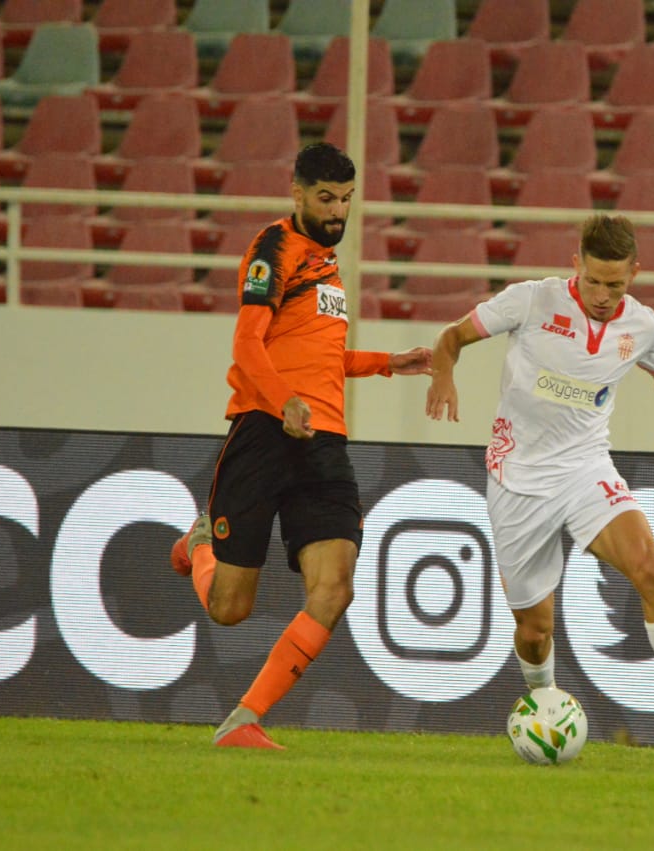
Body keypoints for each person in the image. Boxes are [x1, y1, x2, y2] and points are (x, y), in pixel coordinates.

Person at [425, 213, 654, 745]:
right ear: (575, 263)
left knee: (649, 564)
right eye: (593, 281)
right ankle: (545, 702)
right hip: (518, 479)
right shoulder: (532, 301)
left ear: (635, 273)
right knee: (535, 631)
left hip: (586, 467)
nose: (604, 295)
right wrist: (444, 372)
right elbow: (453, 337)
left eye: (616, 284)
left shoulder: (642, 326)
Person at [168, 142, 432, 750]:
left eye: (346, 200)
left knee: (336, 586)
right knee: (229, 608)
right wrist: (282, 399)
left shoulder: (329, 265)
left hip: (324, 440)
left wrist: (387, 363)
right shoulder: (274, 249)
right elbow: (247, 345)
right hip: (264, 432)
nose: (338, 211)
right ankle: (200, 544)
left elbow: (322, 359)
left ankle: (243, 720)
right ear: (297, 193)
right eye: (325, 198)